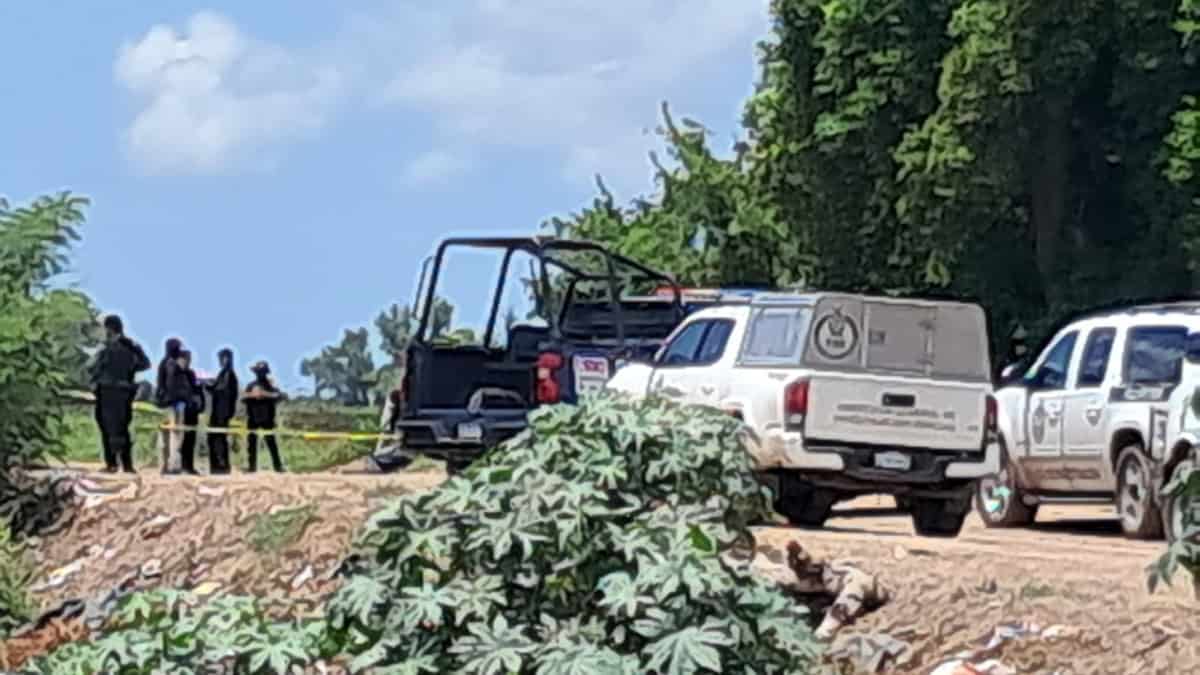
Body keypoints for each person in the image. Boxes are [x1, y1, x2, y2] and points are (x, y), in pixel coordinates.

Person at [88, 315, 151, 473]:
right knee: (117, 427)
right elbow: (144, 364)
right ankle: (123, 464)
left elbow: (94, 367)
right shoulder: (129, 346)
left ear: (109, 328)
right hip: (121, 390)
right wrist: (131, 368)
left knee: (112, 427)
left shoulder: (109, 347)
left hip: (110, 391)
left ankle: (115, 464)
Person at [154, 337, 190, 475]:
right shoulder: (171, 363)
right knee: (173, 434)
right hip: (172, 403)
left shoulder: (165, 363)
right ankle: (170, 465)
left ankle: (169, 464)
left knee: (171, 434)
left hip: (170, 402)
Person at [243, 361, 285, 473]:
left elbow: (280, 396)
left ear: (265, 372)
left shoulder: (271, 385)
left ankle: (278, 466)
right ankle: (252, 467)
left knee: (271, 443)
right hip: (253, 418)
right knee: (251, 444)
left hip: (267, 418)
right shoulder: (251, 385)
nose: (260, 374)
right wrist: (253, 395)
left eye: (262, 372)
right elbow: (243, 398)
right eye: (258, 372)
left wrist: (265, 394)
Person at [204, 348, 239, 475]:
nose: (222, 361)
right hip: (218, 410)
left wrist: (209, 387)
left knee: (218, 438)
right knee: (214, 438)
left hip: (222, 412)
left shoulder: (229, 374)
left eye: (224, 358)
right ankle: (217, 466)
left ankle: (221, 466)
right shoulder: (223, 374)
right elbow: (216, 389)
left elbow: (222, 391)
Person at [178, 350, 203, 475]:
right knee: (180, 439)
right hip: (180, 409)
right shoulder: (176, 373)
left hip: (192, 411)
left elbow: (196, 390)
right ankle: (180, 466)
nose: (188, 361)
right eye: (186, 358)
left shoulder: (191, 373)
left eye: (189, 359)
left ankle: (189, 466)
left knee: (190, 439)